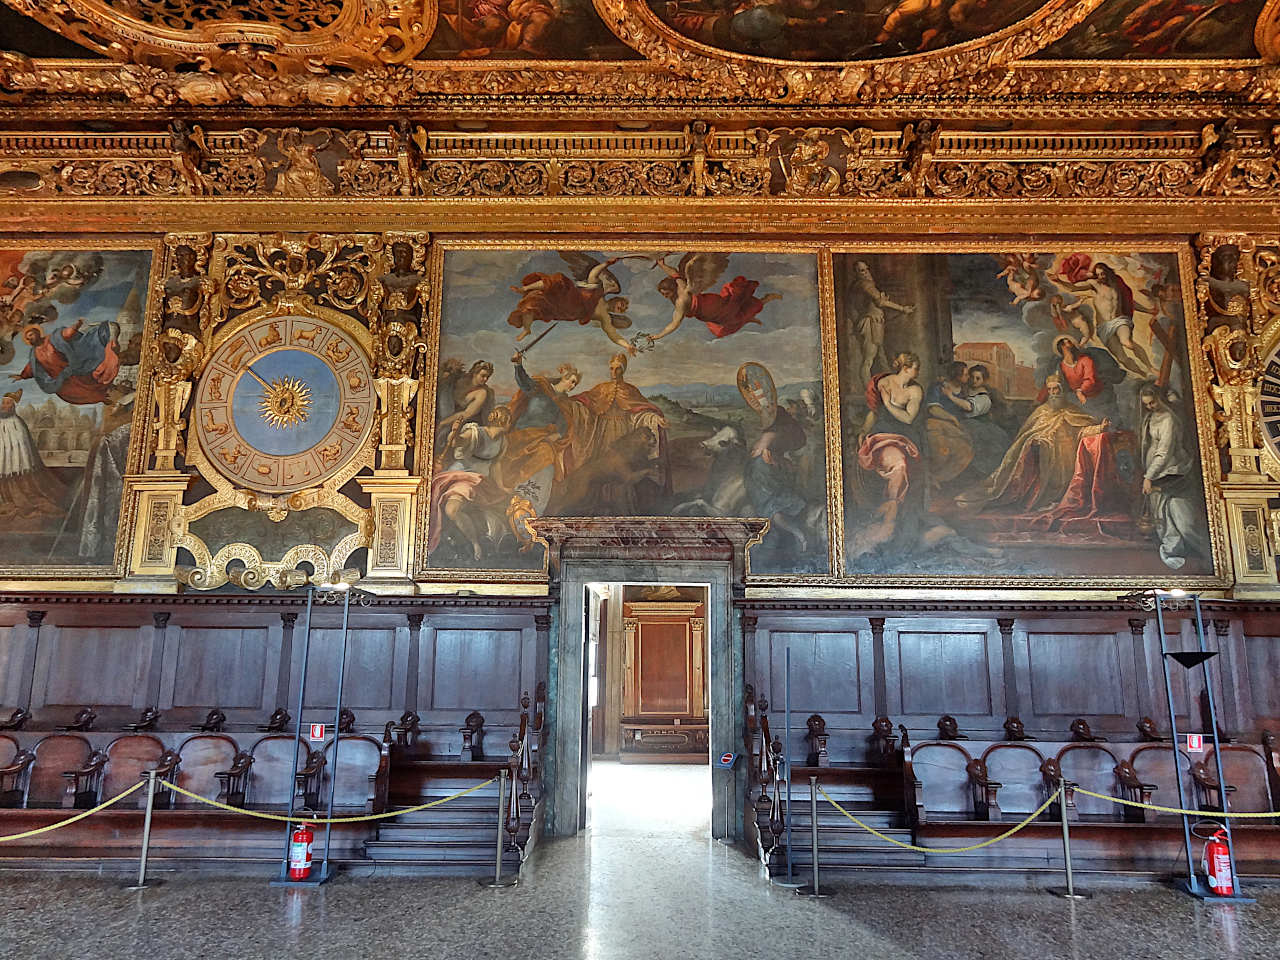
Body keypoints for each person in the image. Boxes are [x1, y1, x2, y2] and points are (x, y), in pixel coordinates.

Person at [960, 374, 1110, 513]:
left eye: (1056, 388)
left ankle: (1054, 498)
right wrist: (1036, 440)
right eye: (1050, 389)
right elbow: (1027, 432)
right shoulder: (1041, 411)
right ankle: (1033, 498)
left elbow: (1082, 431)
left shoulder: (1073, 411)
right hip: (1040, 454)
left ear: (1062, 390)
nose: (1053, 393)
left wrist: (1100, 428)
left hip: (1065, 458)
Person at [1139, 383, 1210, 569]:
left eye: (1152, 403)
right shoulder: (1150, 417)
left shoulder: (1169, 419)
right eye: (1146, 404)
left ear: (1160, 399)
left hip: (1171, 470)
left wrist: (1149, 476)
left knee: (1178, 514)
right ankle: (1172, 549)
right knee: (1160, 514)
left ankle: (1196, 551)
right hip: (1154, 469)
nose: (1150, 407)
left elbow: (1165, 451)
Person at [507, 256, 636, 354]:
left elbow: (613, 335)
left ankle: (526, 324)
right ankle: (527, 323)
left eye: (623, 310)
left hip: (571, 311)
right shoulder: (599, 291)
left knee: (551, 292)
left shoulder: (605, 317)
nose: (622, 308)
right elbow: (593, 274)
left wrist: (627, 346)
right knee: (539, 300)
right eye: (623, 304)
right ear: (617, 298)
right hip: (570, 299)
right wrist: (606, 264)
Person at [1053, 261, 1156, 377]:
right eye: (1098, 275)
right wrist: (1059, 281)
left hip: (1119, 320)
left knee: (1126, 342)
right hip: (1103, 327)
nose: (1102, 277)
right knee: (1122, 358)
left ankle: (1150, 367)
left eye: (1103, 273)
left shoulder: (1117, 285)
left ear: (1108, 272)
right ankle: (1143, 374)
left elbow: (1129, 302)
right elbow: (1073, 288)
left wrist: (1148, 311)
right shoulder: (1094, 285)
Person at [13, 318, 122, 406]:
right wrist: (22, 376)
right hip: (63, 378)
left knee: (92, 380)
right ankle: (102, 397)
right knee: (78, 394)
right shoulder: (34, 354)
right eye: (28, 338)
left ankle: (110, 388)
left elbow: (67, 334)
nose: (30, 339)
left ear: (37, 332)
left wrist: (77, 325)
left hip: (73, 368)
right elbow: (32, 368)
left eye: (31, 335)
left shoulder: (53, 338)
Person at [848, 260, 914, 388]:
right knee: (869, 359)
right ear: (856, 273)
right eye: (862, 270)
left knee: (881, 356)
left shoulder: (859, 285)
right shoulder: (865, 285)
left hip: (875, 322)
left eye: (866, 269)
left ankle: (891, 386)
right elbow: (880, 303)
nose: (866, 273)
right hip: (871, 323)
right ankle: (868, 391)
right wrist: (903, 309)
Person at [0, 388, 62, 517]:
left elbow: (22, 447)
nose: (4, 406)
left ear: (13, 407)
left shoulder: (18, 423)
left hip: (16, 466)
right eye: (3, 403)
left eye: (7, 404)